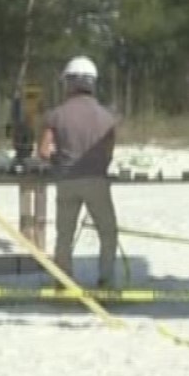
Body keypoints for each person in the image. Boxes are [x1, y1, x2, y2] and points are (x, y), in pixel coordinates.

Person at [37, 56, 120, 286]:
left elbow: (43, 152)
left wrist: (59, 162)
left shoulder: (56, 115)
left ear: (68, 83)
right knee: (107, 233)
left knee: (64, 235)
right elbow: (108, 154)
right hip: (96, 180)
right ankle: (105, 279)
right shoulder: (107, 118)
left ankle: (62, 281)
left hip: (66, 181)